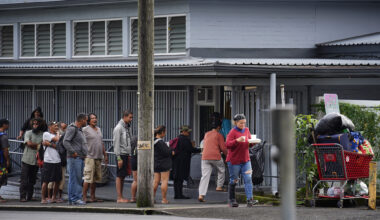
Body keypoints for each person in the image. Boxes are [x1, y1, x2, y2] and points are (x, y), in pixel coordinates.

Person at [226, 114, 258, 208]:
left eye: (244, 122)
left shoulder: (247, 130)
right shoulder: (232, 132)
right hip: (234, 161)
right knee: (234, 180)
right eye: (241, 123)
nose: (243, 124)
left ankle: (250, 200)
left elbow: (248, 143)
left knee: (248, 179)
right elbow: (227, 145)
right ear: (236, 123)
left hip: (246, 160)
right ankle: (232, 200)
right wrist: (237, 140)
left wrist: (253, 143)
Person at [198, 120, 228, 202]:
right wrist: (228, 155)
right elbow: (223, 148)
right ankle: (219, 186)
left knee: (205, 176)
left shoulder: (206, 134)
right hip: (216, 156)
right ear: (218, 127)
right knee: (221, 170)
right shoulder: (219, 135)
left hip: (205, 157)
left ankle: (201, 195)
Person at [82, 113, 108, 203]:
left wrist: (105, 154)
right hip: (89, 157)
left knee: (95, 179)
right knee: (88, 178)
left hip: (98, 157)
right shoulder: (85, 129)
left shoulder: (99, 129)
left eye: (95, 118)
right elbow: (80, 141)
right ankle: (84, 197)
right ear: (89, 120)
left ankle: (93, 197)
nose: (95, 119)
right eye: (92, 118)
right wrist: (82, 153)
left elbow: (101, 142)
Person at [63, 113, 88, 205]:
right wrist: (73, 152)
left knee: (77, 178)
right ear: (81, 120)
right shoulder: (72, 128)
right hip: (74, 158)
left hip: (79, 158)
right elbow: (65, 141)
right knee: (75, 178)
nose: (87, 122)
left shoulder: (79, 130)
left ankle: (73, 198)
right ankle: (74, 199)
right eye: (86, 120)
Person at [19, 118, 45, 202]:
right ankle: (22, 196)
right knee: (24, 179)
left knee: (32, 180)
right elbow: (29, 143)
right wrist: (38, 145)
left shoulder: (42, 134)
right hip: (26, 159)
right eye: (33, 124)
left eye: (36, 124)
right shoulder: (28, 132)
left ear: (40, 125)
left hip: (36, 161)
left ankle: (29, 196)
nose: (35, 126)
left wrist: (37, 145)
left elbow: (42, 145)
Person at [172, 125, 200, 199]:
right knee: (180, 179)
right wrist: (200, 149)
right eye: (187, 132)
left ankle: (177, 194)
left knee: (176, 179)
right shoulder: (185, 139)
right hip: (183, 162)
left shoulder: (177, 139)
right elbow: (190, 149)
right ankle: (179, 195)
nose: (188, 133)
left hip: (175, 161)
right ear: (184, 132)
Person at [113, 110, 133, 203]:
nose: (131, 119)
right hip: (121, 154)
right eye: (130, 117)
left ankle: (121, 196)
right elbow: (116, 143)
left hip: (126, 154)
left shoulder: (126, 127)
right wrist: (118, 157)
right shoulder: (119, 128)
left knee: (123, 175)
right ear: (124, 117)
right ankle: (119, 197)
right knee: (119, 175)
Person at [40, 121, 62, 204]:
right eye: (54, 126)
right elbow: (57, 139)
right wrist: (57, 136)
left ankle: (54, 197)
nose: (56, 127)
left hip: (57, 160)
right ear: (50, 127)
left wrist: (49, 144)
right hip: (48, 160)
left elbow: (60, 146)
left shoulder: (59, 135)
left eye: (57, 126)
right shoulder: (46, 134)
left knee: (57, 180)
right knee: (46, 180)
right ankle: (43, 198)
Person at [47, 121, 68, 201]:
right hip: (52, 160)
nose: (64, 124)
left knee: (61, 179)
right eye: (55, 126)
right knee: (51, 179)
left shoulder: (64, 133)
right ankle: (50, 196)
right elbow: (58, 142)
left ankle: (58, 196)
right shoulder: (49, 135)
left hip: (61, 159)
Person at [153, 125, 173, 204]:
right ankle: (164, 199)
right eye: (165, 132)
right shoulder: (160, 142)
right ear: (161, 132)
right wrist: (171, 151)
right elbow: (167, 152)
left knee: (155, 181)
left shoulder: (153, 141)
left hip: (156, 163)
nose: (165, 134)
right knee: (164, 181)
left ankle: (152, 197)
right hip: (164, 164)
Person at [0, 119, 10, 203]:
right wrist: (7, 160)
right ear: (4, 125)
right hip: (1, 160)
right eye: (7, 124)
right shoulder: (3, 136)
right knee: (2, 177)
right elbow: (5, 149)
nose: (8, 126)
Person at [130, 135, 138, 203]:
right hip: (138, 161)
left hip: (133, 160)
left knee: (135, 180)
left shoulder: (133, 149)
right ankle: (133, 197)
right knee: (137, 180)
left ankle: (133, 197)